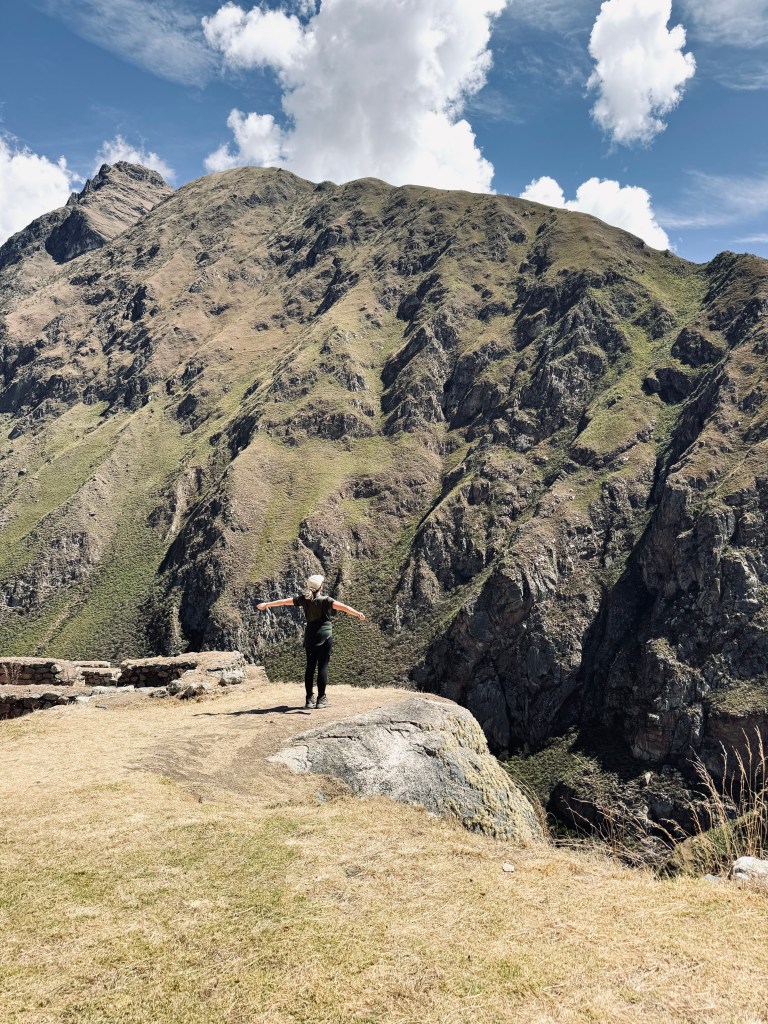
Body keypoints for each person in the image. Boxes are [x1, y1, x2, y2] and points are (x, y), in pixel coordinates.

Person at [256, 574, 365, 709]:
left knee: (310, 667)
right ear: (321, 587)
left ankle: (309, 699)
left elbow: (283, 601)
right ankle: (321, 699)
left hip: (310, 636)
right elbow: (343, 607)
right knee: (323, 667)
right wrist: (358, 613)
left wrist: (266, 605)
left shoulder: (303, 600)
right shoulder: (326, 600)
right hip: (325, 635)